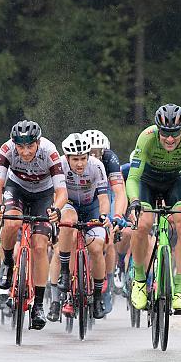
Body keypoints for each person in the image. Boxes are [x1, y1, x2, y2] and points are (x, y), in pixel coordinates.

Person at [126, 103, 181, 314]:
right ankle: (140, 281)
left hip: (175, 181)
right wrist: (134, 200)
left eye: (175, 134)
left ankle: (179, 290)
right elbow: (133, 177)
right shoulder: (146, 137)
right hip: (147, 181)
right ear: (158, 130)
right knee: (143, 223)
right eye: (165, 134)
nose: (170, 139)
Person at [0, 120, 68, 330]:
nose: (25, 152)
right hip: (17, 189)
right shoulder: (7, 149)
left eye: (30, 146)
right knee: (11, 222)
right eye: (20, 146)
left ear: (38, 142)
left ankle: (39, 306)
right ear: (14, 143)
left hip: (43, 194)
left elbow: (62, 192)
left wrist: (56, 209)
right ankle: (7, 262)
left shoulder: (50, 152)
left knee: (40, 246)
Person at [47, 133, 110, 322]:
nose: (80, 164)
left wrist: (104, 216)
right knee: (68, 224)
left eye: (83, 158)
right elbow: (56, 195)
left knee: (97, 248)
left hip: (92, 208)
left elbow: (104, 199)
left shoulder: (97, 166)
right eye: (75, 159)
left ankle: (98, 297)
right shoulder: (59, 165)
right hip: (69, 204)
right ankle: (64, 275)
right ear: (67, 158)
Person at [84, 129, 127, 315]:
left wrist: (117, 216)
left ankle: (106, 284)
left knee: (108, 237)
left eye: (98, 152)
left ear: (104, 151)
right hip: (83, 194)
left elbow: (119, 193)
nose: (94, 156)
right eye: (90, 152)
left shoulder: (110, 159)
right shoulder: (77, 160)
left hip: (103, 195)